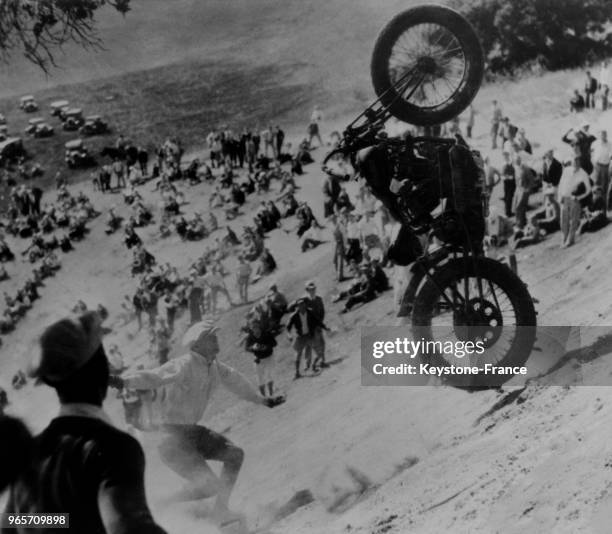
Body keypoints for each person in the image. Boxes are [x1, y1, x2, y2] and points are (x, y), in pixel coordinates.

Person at [1, 311, 166, 533]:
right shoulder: (113, 448)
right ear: (101, 368)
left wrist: (66, 521)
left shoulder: (30, 452)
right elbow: (128, 528)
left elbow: (9, 524)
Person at [118, 320, 284, 526]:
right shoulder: (184, 364)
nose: (216, 340)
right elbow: (155, 377)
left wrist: (263, 400)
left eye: (215, 336)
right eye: (211, 338)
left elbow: (237, 381)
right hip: (171, 439)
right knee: (208, 486)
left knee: (234, 454)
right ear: (198, 344)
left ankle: (220, 511)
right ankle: (160, 503)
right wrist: (123, 381)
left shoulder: (213, 366)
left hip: (193, 432)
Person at [287, 297, 327, 379]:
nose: (302, 306)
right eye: (299, 305)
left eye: (303, 304)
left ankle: (314, 365)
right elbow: (288, 328)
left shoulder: (310, 312)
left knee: (319, 352)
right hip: (301, 337)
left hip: (309, 335)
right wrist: (289, 335)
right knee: (298, 354)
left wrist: (325, 328)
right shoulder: (294, 316)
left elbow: (317, 321)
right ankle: (297, 373)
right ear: (297, 307)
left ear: (305, 305)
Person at [558, 157, 591, 248]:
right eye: (574, 161)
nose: (575, 163)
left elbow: (588, 190)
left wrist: (579, 197)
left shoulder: (583, 173)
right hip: (564, 198)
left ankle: (570, 240)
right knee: (563, 220)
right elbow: (561, 184)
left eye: (577, 161)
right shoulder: (567, 170)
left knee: (574, 220)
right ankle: (564, 239)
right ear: (571, 161)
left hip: (574, 199)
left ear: (580, 162)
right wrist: (559, 196)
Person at [244, 321, 277, 397]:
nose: (255, 329)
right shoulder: (250, 337)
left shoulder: (266, 334)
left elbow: (274, 343)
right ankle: (264, 397)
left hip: (269, 357)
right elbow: (246, 348)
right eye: (253, 327)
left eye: (256, 326)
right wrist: (253, 347)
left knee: (270, 375)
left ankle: (271, 394)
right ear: (251, 329)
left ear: (259, 326)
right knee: (259, 378)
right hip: (258, 359)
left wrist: (266, 347)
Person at [303, 281, 327, 370]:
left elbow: (322, 312)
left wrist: (320, 323)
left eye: (314, 289)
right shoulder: (305, 301)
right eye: (310, 289)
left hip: (318, 325)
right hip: (310, 327)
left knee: (322, 342)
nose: (313, 291)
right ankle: (310, 363)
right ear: (307, 290)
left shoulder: (319, 299)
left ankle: (322, 360)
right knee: (312, 345)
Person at [592, 130, 612, 210]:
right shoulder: (596, 144)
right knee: (596, 186)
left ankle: (604, 210)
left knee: (604, 188)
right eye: (601, 135)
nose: (603, 136)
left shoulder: (610, 144)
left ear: (606, 135)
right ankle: (595, 208)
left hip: (605, 167)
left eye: (604, 135)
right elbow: (592, 153)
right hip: (597, 166)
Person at [501, 151, 516, 218]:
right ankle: (508, 212)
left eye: (507, 155)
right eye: (505, 156)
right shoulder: (504, 164)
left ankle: (508, 211)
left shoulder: (508, 162)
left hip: (510, 181)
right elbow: (503, 175)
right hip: (508, 182)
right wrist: (510, 177)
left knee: (509, 197)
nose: (506, 157)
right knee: (508, 197)